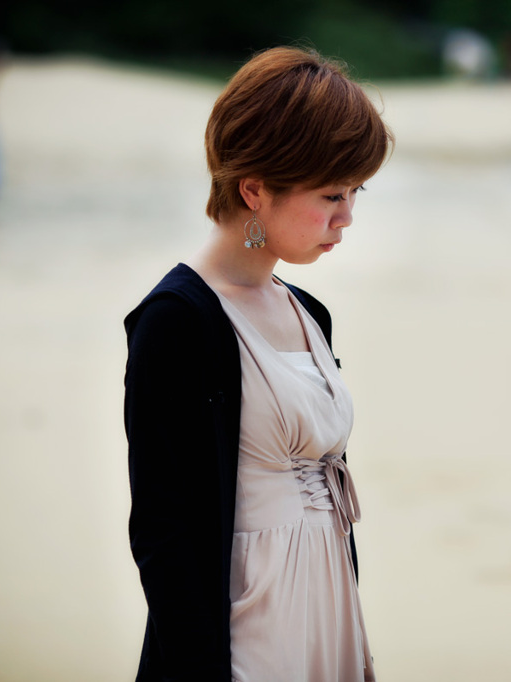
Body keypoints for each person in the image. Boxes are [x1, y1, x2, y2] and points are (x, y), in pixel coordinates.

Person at [123, 47, 393, 682]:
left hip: (326, 603)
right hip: (244, 623)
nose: (347, 216)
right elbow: (164, 532)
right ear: (254, 189)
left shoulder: (307, 312)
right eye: (331, 193)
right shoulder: (177, 320)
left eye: (356, 191)